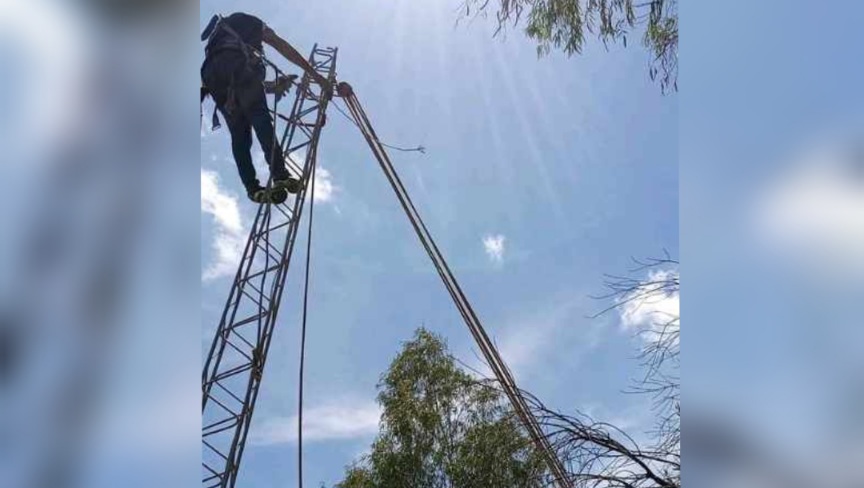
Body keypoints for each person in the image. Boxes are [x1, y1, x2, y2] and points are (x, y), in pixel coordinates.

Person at [201, 12, 333, 203]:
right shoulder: (252, 24)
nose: (260, 49)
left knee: (240, 136)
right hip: (233, 69)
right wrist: (315, 75)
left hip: (213, 78)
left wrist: (273, 85)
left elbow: (237, 85)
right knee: (260, 119)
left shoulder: (219, 38)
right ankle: (280, 174)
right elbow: (281, 46)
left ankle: (252, 189)